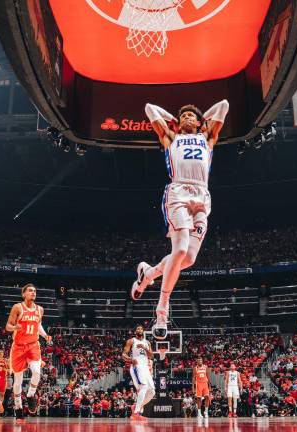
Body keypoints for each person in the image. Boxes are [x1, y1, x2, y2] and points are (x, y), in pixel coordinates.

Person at [131, 99, 229, 339]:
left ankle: (149, 274)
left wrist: (201, 119)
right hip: (178, 193)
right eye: (182, 115)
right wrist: (174, 121)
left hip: (202, 195)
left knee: (189, 258)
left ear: (198, 122)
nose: (185, 117)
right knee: (181, 248)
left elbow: (224, 105)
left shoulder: (208, 138)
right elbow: (149, 108)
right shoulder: (170, 137)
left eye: (189, 116)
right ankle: (162, 308)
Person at [6, 283, 52, 421]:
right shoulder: (17, 307)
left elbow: (38, 325)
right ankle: (18, 406)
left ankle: (31, 395)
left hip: (33, 345)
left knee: (37, 371)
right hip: (19, 347)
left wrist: (45, 335)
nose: (33, 292)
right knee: (18, 380)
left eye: (35, 291)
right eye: (30, 291)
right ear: (23, 294)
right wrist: (15, 327)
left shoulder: (40, 309)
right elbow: (8, 326)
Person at [122, 325, 155, 421]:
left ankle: (137, 406)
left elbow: (151, 356)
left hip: (145, 367)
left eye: (141, 329)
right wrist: (131, 359)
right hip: (137, 366)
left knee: (152, 391)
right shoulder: (131, 341)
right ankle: (136, 413)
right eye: (137, 329)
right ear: (135, 331)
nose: (139, 330)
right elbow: (123, 354)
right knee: (143, 387)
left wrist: (145, 348)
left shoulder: (147, 342)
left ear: (143, 331)